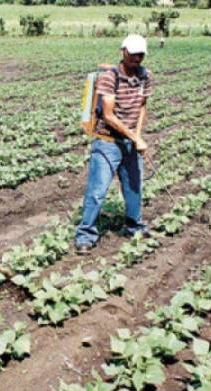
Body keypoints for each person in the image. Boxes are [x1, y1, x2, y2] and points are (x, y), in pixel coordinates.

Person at [75, 34, 154, 255]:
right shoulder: (110, 78)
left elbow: (142, 107)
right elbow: (108, 116)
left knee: (134, 188)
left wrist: (136, 136)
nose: (137, 58)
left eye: (141, 54)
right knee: (97, 190)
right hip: (107, 141)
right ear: (123, 51)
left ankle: (134, 226)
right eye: (133, 53)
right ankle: (85, 235)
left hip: (130, 142)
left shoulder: (146, 76)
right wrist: (135, 137)